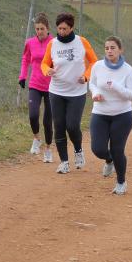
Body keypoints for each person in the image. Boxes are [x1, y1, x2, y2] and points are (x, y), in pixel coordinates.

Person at [41, 13, 98, 174]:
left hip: (76, 92)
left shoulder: (81, 42)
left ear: (71, 27)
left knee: (72, 125)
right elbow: (44, 63)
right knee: (59, 126)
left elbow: (94, 61)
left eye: (65, 28)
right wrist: (47, 70)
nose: (61, 31)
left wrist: (86, 76)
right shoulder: (52, 43)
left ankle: (78, 150)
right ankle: (64, 162)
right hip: (56, 91)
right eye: (59, 28)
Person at [89, 36, 132, 195]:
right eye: (107, 48)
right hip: (100, 113)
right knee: (97, 149)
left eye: (113, 48)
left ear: (120, 50)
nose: (109, 51)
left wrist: (116, 86)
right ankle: (109, 159)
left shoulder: (128, 70)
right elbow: (93, 83)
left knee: (118, 150)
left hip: (122, 115)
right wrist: (95, 93)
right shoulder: (97, 66)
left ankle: (121, 182)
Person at [19, 12, 54, 163]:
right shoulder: (30, 42)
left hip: (52, 86)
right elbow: (25, 59)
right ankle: (36, 138)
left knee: (47, 121)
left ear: (48, 29)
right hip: (35, 84)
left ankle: (48, 149)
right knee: (33, 115)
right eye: (37, 29)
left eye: (42, 29)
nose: (39, 32)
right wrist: (22, 76)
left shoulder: (55, 42)